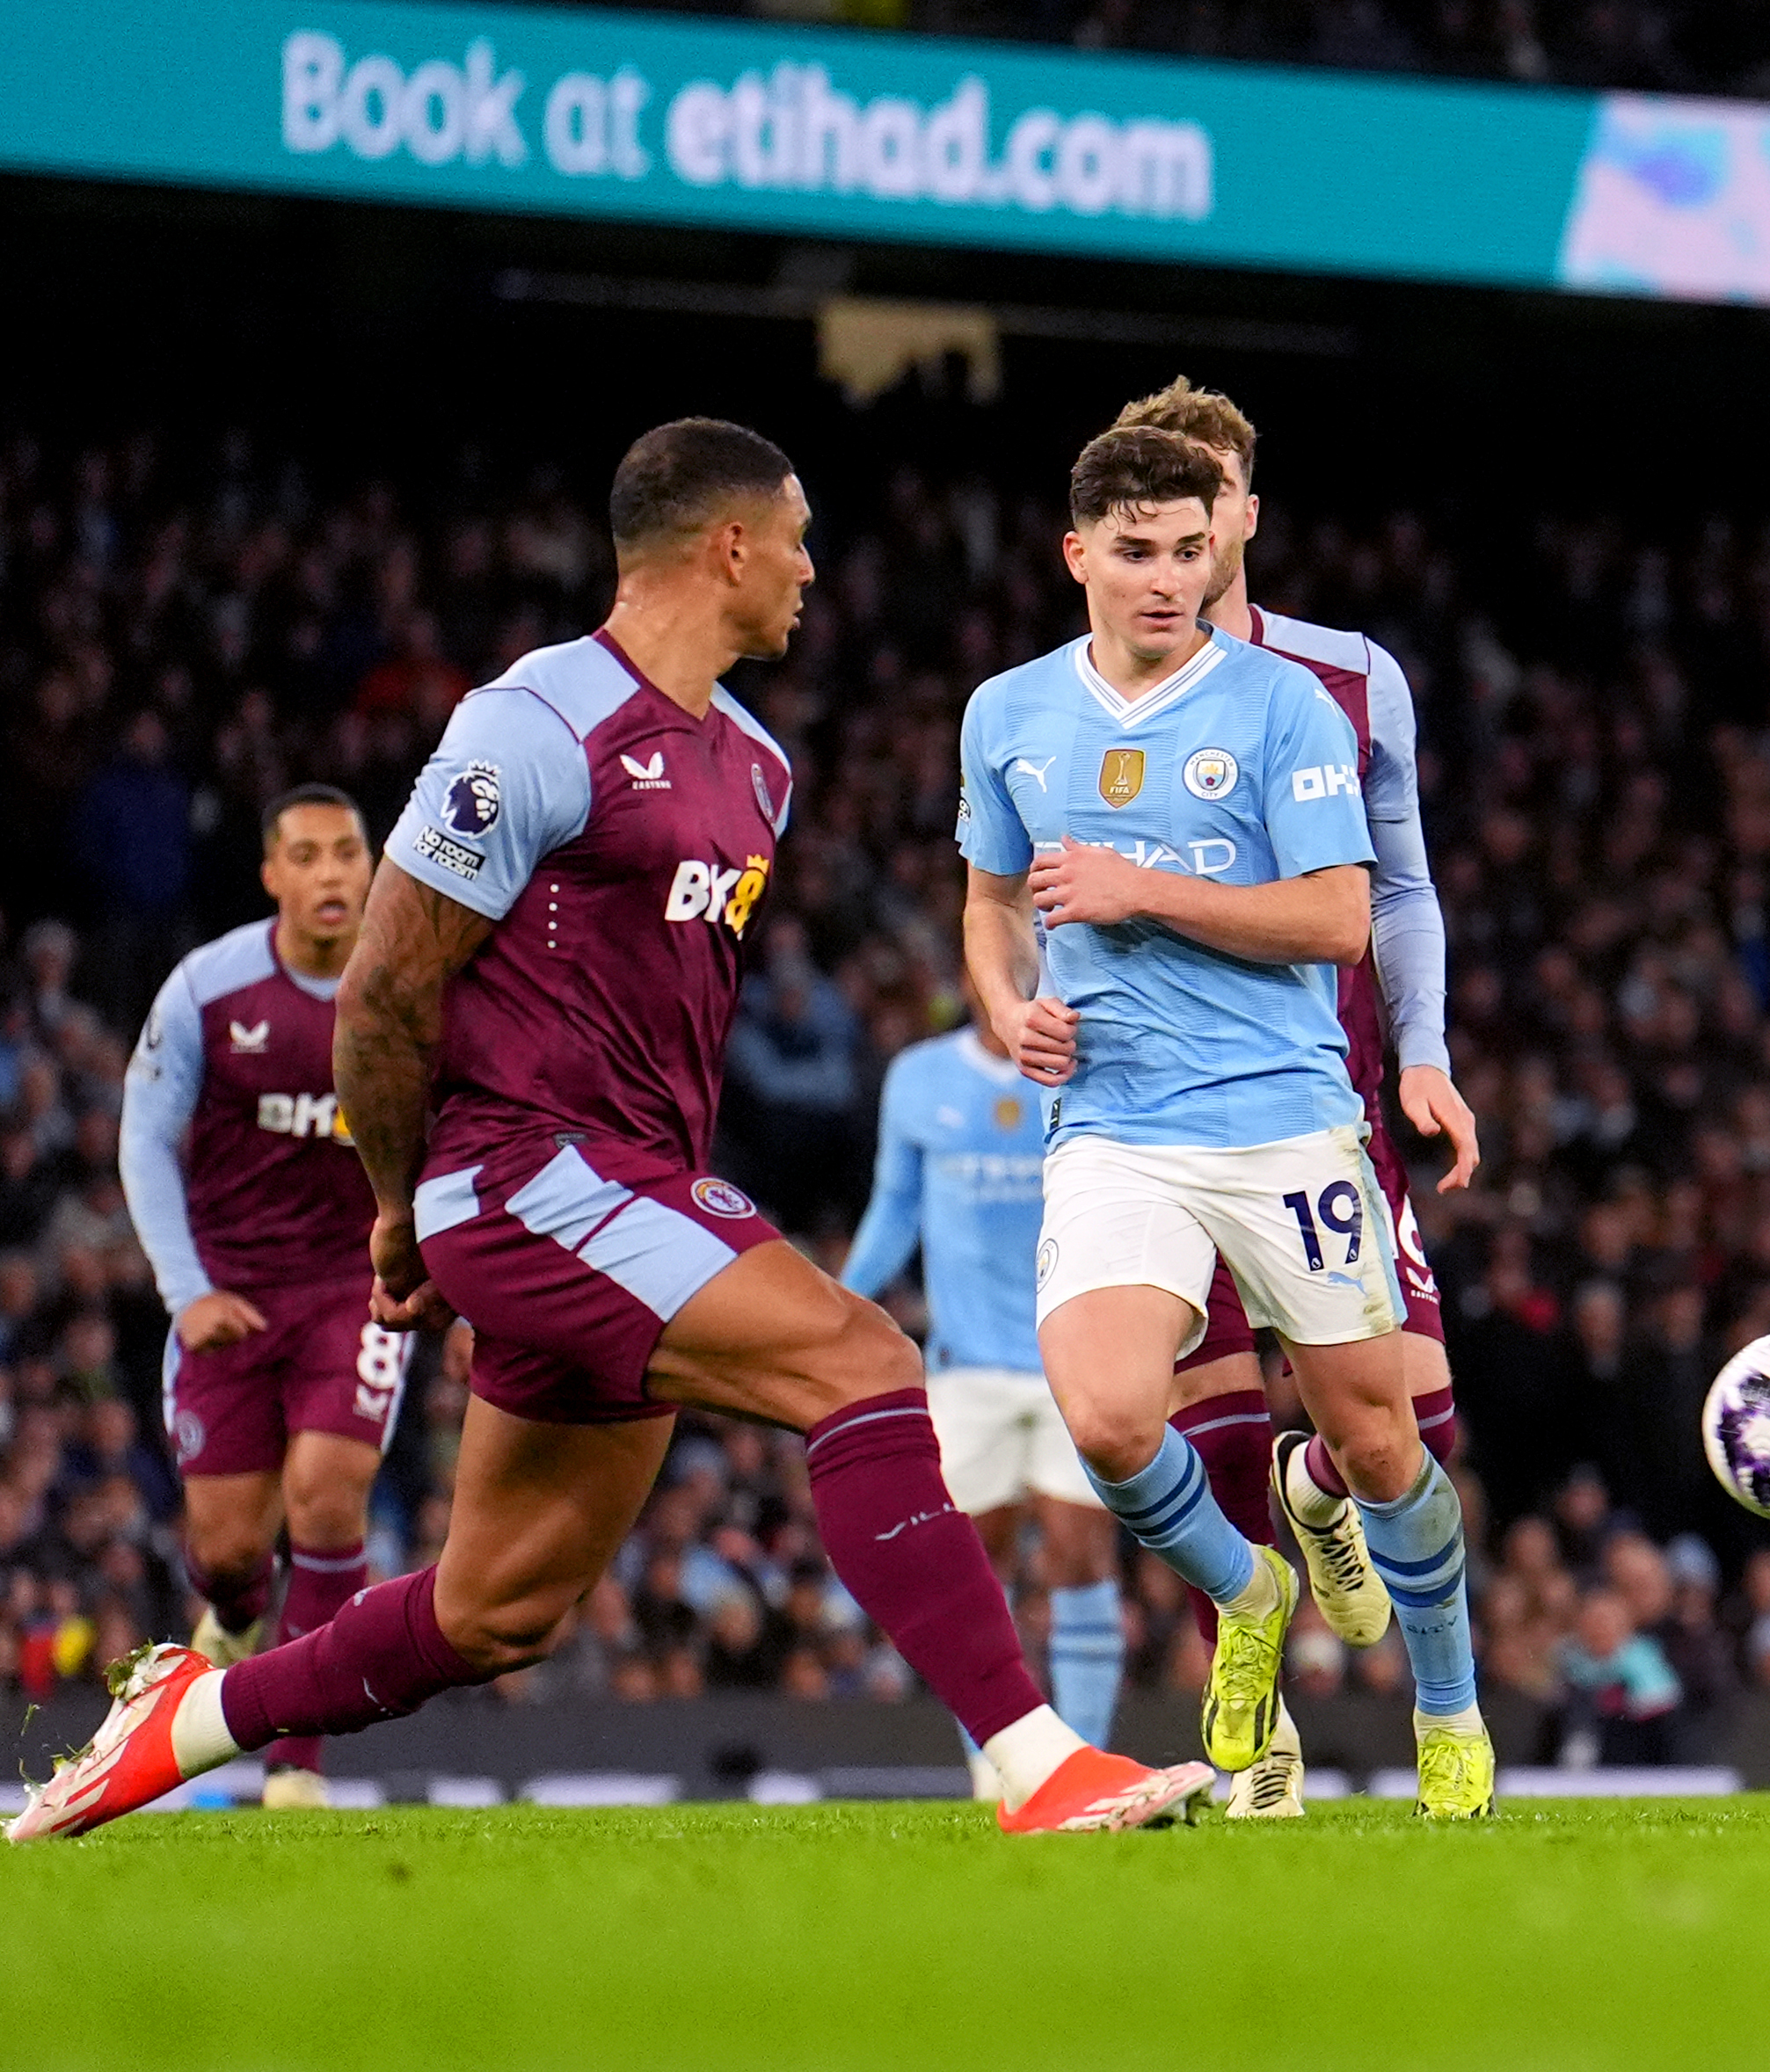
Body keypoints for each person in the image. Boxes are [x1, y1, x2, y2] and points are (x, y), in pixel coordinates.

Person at [12, 418, 1207, 1843]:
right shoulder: (534, 722)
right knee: (861, 1358)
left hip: (622, 1193)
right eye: (799, 537)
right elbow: (391, 987)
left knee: (493, 1607)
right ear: (729, 545)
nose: (815, 572)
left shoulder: (757, 768)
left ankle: (181, 1721)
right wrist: (402, 1209)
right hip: (524, 1175)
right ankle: (1036, 1762)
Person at [956, 423, 1493, 1818]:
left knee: (1389, 1443)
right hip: (1114, 1126)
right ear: (1078, 555)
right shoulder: (1007, 712)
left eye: (1192, 549)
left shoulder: (1306, 697)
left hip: (1288, 1119)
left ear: (1235, 530)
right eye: (1138, 551)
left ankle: (1450, 1706)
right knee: (1115, 1418)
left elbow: (1343, 912)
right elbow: (991, 905)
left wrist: (1144, 890)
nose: (1169, 578)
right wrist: (1009, 1008)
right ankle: (1249, 1607)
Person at [1104, 378, 1478, 1818]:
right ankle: (1252, 1746)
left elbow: (1403, 886)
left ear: (1244, 513)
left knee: (1410, 1437)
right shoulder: (1082, 694)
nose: (1185, 536)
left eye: (1210, 499)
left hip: (1327, 1105)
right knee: (1195, 1426)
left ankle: (1320, 1481)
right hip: (1157, 1112)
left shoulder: (1350, 678)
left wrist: (1424, 1050)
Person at [115, 783, 409, 1811]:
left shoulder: (411, 983)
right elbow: (144, 1138)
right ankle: (235, 1613)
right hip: (229, 1295)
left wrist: (452, 1292)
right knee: (228, 1547)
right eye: (308, 855)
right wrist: (186, 1290)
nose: (332, 873)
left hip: (354, 1289)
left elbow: (459, 1141)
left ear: (372, 866)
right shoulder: (209, 987)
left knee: (327, 1494)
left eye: (347, 852)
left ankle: (298, 1763)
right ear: (272, 875)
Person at [841, 1019, 1129, 1779]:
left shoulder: (1086, 1063)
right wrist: (839, 1308)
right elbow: (894, 1209)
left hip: (1071, 1356)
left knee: (1080, 1554)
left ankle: (1089, 1762)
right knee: (977, 1568)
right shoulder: (919, 1076)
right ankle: (995, 1773)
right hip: (963, 1370)